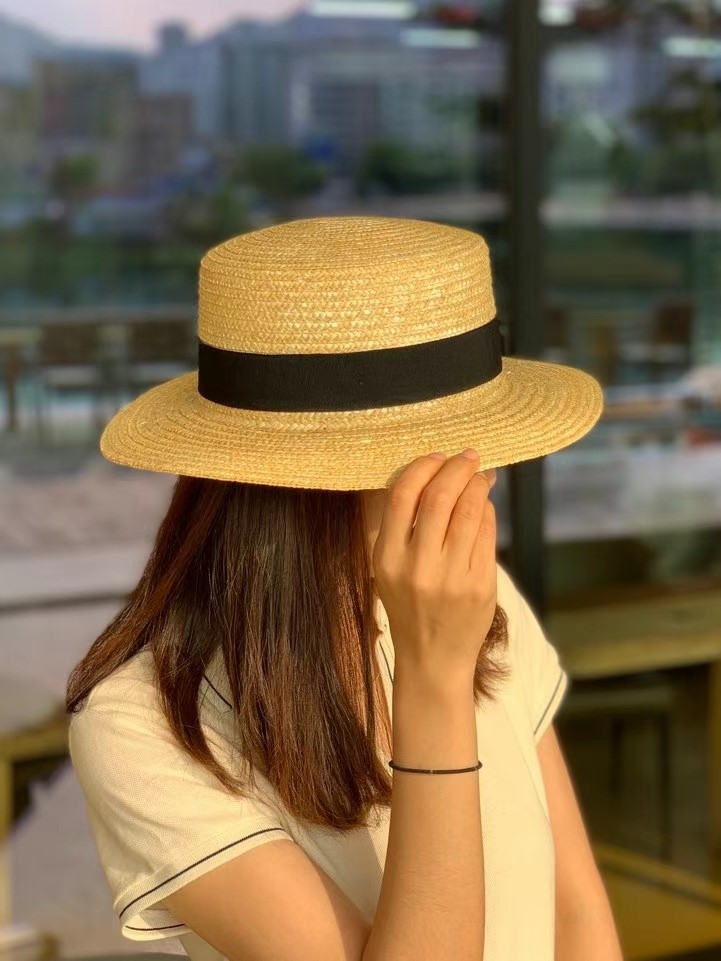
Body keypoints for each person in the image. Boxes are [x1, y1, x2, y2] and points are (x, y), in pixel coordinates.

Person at [66, 216, 622, 961]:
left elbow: (576, 910)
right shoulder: (148, 723)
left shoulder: (472, 593)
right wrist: (433, 682)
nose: (483, 473)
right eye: (452, 449)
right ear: (322, 480)